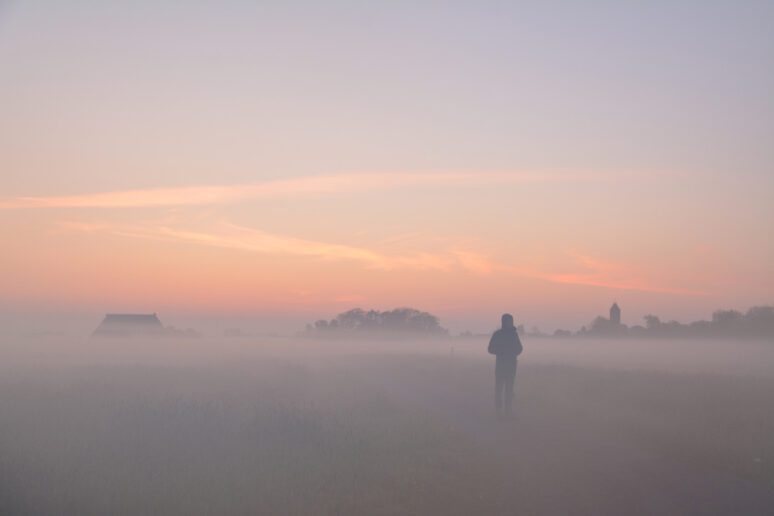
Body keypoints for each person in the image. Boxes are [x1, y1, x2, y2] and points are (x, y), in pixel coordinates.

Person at [488, 313, 523, 418]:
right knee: (499, 389)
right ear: (503, 322)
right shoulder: (497, 334)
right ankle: (498, 412)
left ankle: (509, 412)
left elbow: (520, 348)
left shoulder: (514, 335)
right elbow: (490, 349)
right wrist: (502, 351)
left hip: (511, 366)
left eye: (510, 321)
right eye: (507, 321)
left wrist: (513, 353)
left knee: (509, 390)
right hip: (501, 366)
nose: (509, 323)